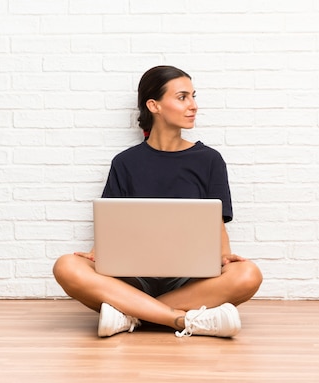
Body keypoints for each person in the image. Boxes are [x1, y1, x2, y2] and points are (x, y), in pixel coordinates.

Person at [52, 65, 263, 338]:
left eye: (193, 96)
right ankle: (182, 320)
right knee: (66, 266)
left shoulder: (209, 160)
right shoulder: (125, 162)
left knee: (248, 274)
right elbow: (112, 222)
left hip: (190, 280)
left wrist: (224, 257)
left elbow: (217, 224)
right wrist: (96, 252)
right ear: (154, 105)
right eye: (182, 97)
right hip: (132, 278)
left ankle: (130, 315)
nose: (194, 106)